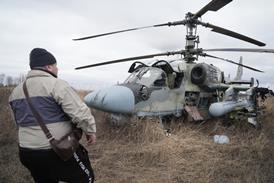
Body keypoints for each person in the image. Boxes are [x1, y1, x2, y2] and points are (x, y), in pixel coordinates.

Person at [9, 48, 96, 183]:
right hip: (55, 151)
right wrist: (90, 131)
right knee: (86, 178)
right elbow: (80, 113)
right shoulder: (56, 84)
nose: (57, 69)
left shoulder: (15, 91)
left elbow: (17, 122)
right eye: (55, 65)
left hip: (27, 152)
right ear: (48, 66)